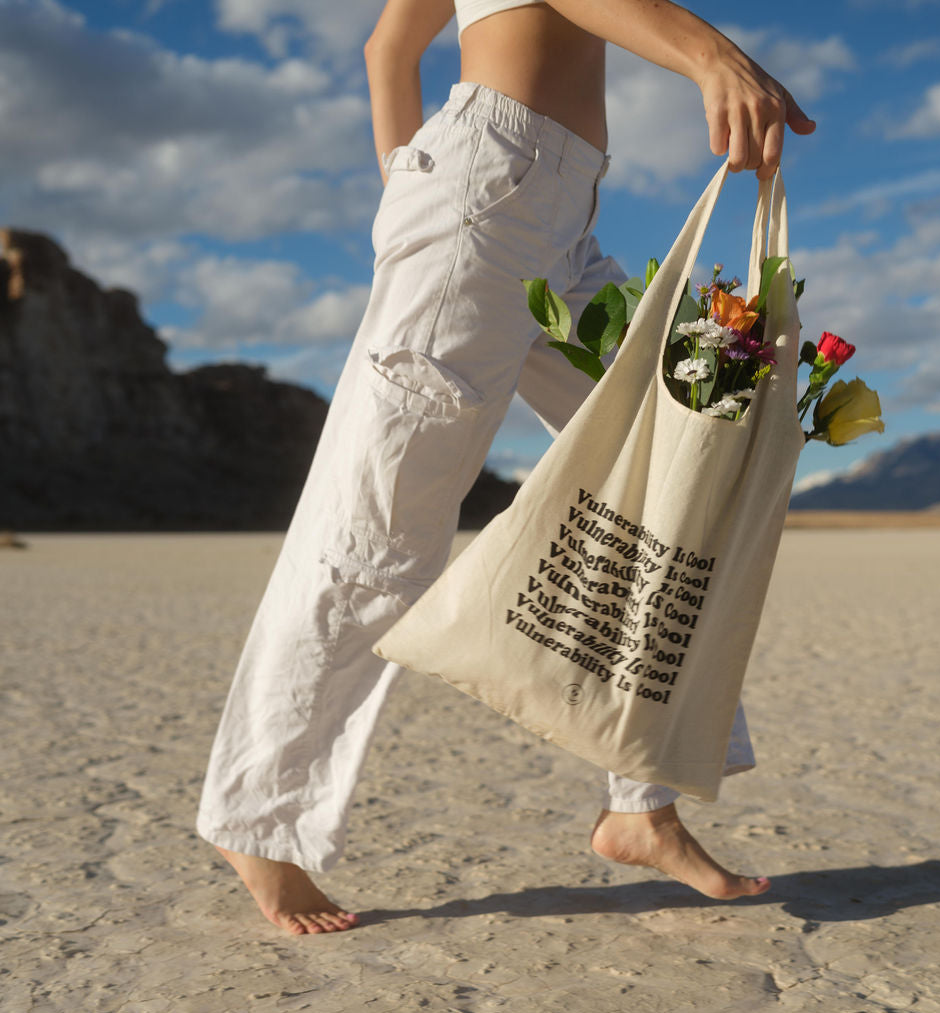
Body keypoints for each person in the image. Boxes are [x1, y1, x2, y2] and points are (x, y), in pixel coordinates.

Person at [196, 0, 816, 934]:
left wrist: (408, 179)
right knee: (378, 525)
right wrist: (708, 56)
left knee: (680, 469)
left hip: (555, 212)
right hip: (484, 188)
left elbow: (386, 47)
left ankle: (640, 806)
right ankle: (261, 821)